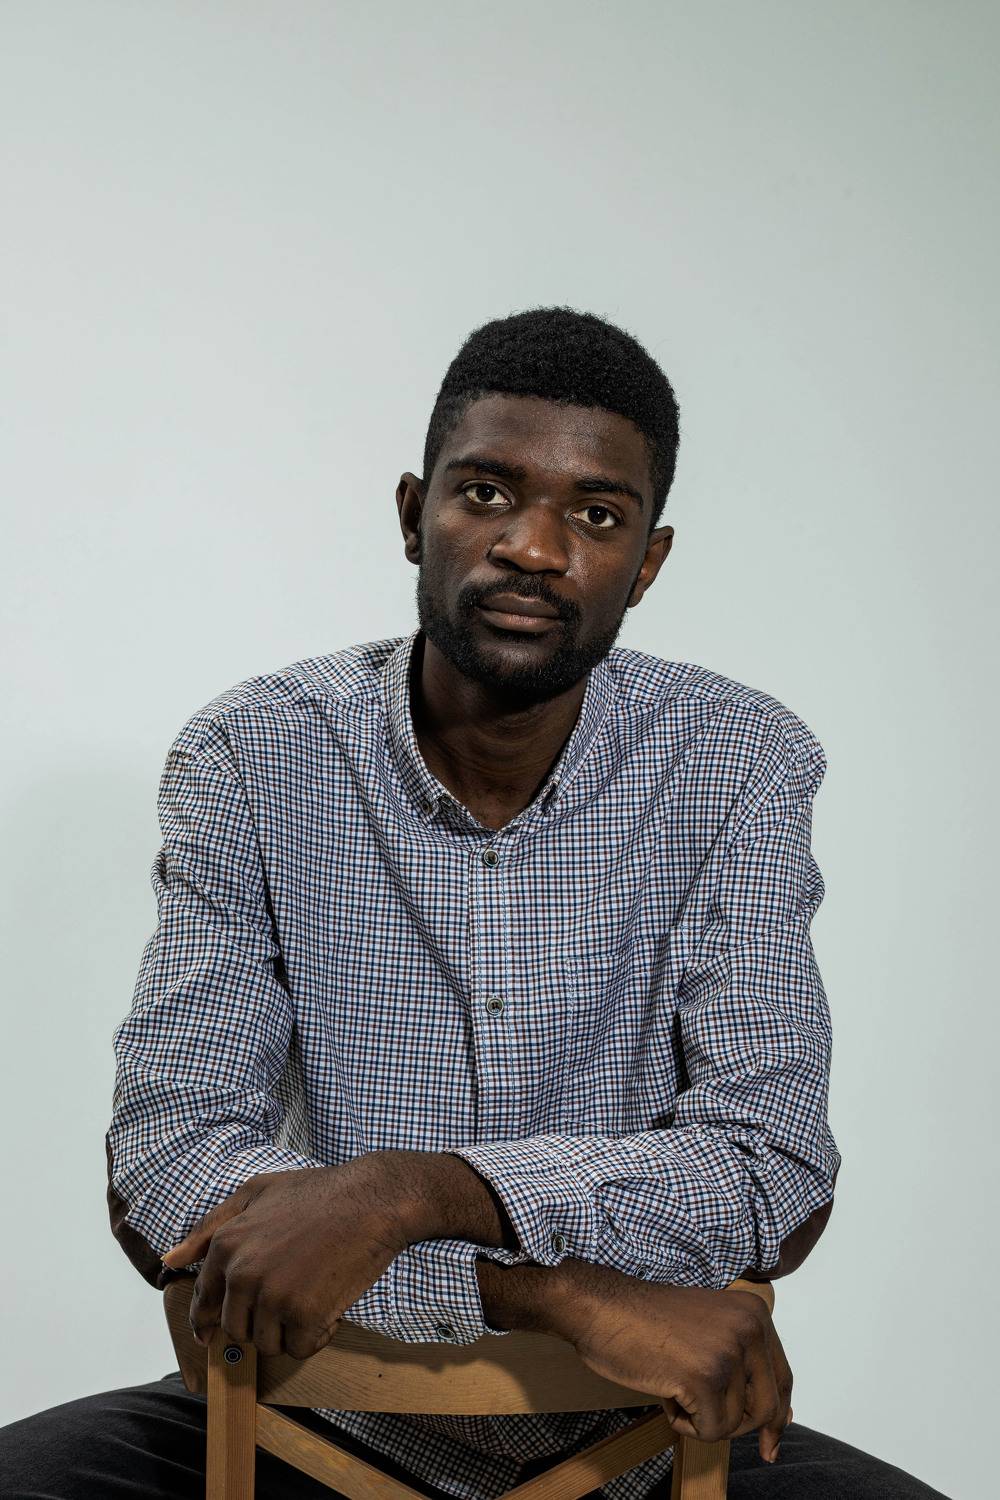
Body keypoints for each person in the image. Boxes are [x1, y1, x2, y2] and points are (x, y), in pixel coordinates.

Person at [0, 308, 948, 1499]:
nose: (533, 548)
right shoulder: (253, 753)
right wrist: (547, 1290)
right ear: (414, 515)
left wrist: (407, 1196)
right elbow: (166, 1168)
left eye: (594, 516)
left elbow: (771, 1175)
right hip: (307, 1424)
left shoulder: (739, 761)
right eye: (487, 493)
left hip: (641, 1444)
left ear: (647, 563)